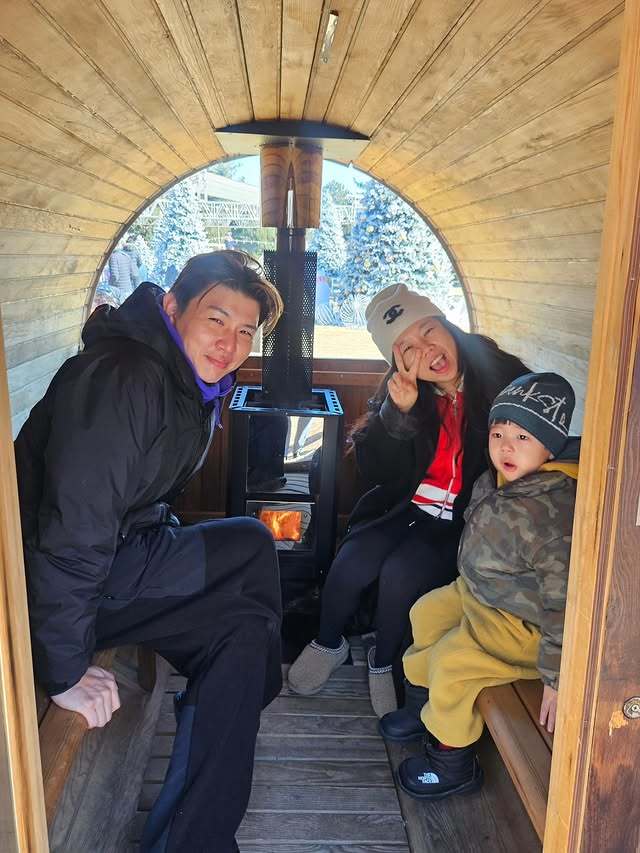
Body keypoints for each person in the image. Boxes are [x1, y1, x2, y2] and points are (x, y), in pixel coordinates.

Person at [14, 250, 284, 853]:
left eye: (246, 332)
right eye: (216, 320)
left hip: (118, 556)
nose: (230, 344)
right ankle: (246, 696)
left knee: (245, 611)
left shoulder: (180, 376)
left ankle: (193, 839)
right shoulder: (124, 376)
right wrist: (63, 671)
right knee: (247, 573)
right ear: (171, 306)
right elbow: (73, 528)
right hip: (47, 587)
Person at [287, 283, 529, 717]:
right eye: (407, 348)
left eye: (429, 330)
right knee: (352, 562)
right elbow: (378, 471)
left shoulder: (502, 377)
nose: (426, 350)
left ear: (448, 325)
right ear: (396, 360)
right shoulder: (401, 390)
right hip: (406, 507)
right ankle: (329, 642)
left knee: (401, 573)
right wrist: (397, 415)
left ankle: (383, 661)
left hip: (465, 519)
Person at [382, 373, 578, 800]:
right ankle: (423, 706)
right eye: (498, 433)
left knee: (453, 663)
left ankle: (451, 760)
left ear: (550, 447)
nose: (506, 446)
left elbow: (565, 602)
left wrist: (557, 676)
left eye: (523, 437)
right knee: (425, 612)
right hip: (482, 594)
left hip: (522, 627)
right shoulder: (498, 480)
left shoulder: (553, 512)